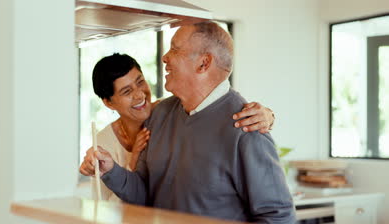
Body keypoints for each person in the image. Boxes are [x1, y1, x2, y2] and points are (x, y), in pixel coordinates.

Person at [81, 22, 295, 224]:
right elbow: (145, 193)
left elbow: (277, 217)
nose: (164, 57)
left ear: (203, 63)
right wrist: (110, 169)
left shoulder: (247, 127)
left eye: (175, 49)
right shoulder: (160, 114)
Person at [89, 53, 275, 201]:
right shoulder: (104, 142)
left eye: (140, 82)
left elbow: (218, 104)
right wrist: (131, 164)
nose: (140, 95)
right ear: (109, 103)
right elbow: (104, 209)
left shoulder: (171, 112)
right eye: (127, 91)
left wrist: (268, 115)